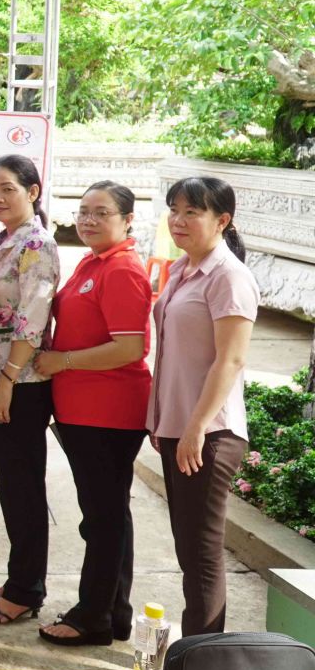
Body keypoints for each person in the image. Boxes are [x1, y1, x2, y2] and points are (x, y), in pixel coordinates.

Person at [35, 182, 153, 646]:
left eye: (101, 213)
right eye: (83, 211)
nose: (88, 220)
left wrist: (62, 361)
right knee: (109, 514)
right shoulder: (93, 261)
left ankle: (92, 616)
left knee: (102, 519)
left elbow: (129, 348)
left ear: (127, 220)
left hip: (107, 411)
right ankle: (113, 612)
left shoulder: (121, 269)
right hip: (83, 409)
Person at [147, 176, 257, 636]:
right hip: (181, 430)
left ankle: (201, 657)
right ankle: (197, 653)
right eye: (174, 210)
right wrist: (163, 423)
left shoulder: (229, 277)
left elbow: (230, 360)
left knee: (202, 554)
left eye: (192, 212)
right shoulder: (182, 269)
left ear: (222, 220)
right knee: (189, 550)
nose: (179, 220)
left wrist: (195, 428)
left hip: (209, 435)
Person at [0, 155, 60, 626]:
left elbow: (32, 319)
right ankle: (18, 578)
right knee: (11, 484)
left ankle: (27, 591)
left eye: (8, 188)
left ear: (33, 191)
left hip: (20, 383)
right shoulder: (6, 241)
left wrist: (6, 382)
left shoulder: (36, 245)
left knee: (23, 487)